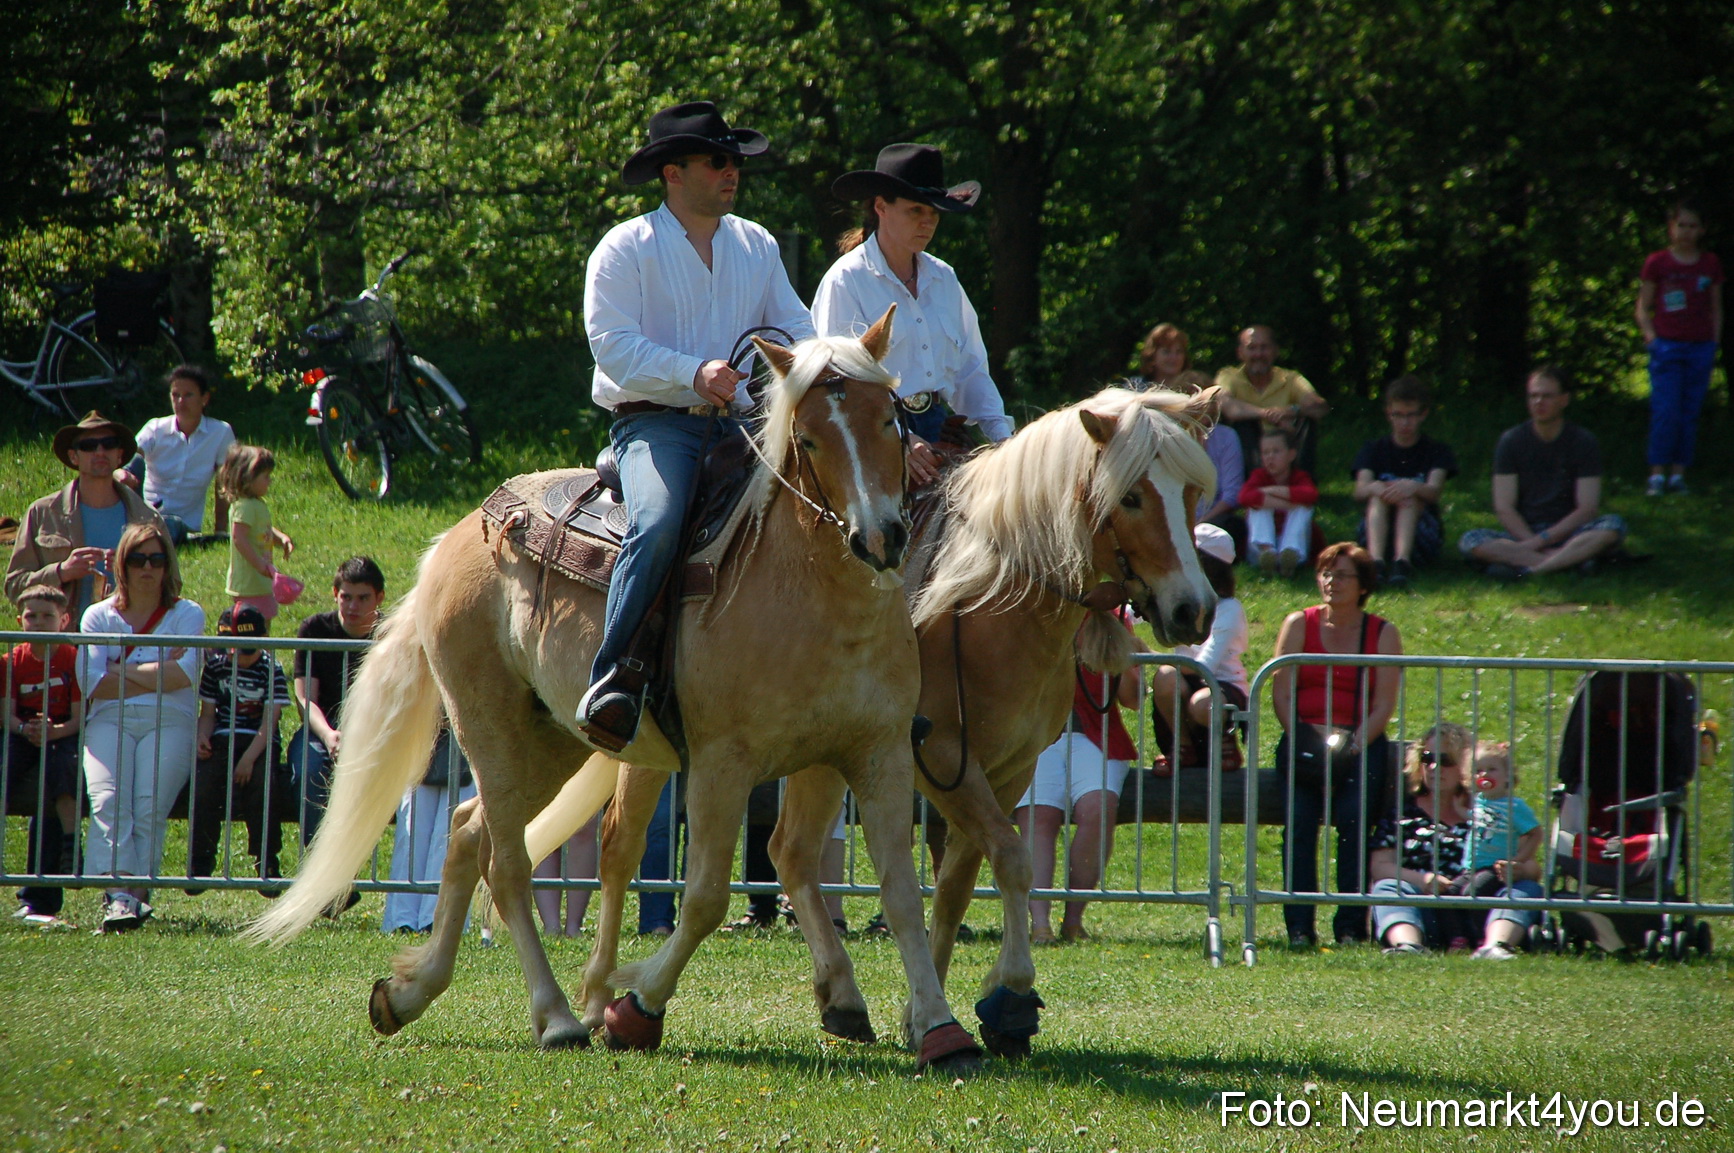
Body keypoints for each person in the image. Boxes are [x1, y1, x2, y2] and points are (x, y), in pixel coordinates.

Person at [577, 100, 814, 748]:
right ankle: (614, 676)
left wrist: (827, 362)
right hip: (656, 427)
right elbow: (613, 347)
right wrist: (695, 372)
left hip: (744, 426)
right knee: (656, 523)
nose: (731, 170)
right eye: (717, 159)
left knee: (834, 504)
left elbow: (796, 324)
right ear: (673, 172)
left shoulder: (757, 244)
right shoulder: (625, 248)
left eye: (734, 159)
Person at [812, 142, 1014, 486]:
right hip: (870, 438)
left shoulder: (944, 278)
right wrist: (902, 439)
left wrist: (1004, 439)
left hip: (940, 433)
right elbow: (838, 387)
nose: (927, 222)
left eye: (934, 213)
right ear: (881, 208)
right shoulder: (846, 280)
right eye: (915, 211)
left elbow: (971, 371)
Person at [1269, 542, 1402, 948]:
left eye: (1342, 575)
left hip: (1362, 741)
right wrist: (1302, 737)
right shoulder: (1298, 624)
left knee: (1354, 821)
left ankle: (1349, 927)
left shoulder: (1383, 633)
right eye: (1326, 572)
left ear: (1363, 585)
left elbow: (1383, 704)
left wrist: (1354, 745)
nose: (1331, 582)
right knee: (1300, 824)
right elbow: (1282, 691)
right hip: (1303, 738)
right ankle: (1299, 928)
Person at [77, 522, 204, 932]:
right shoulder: (97, 616)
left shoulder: (188, 613)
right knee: (108, 800)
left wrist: (121, 669)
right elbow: (91, 683)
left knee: (149, 804)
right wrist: (156, 671)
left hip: (171, 719)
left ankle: (136, 896)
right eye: (137, 559)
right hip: (108, 719)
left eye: (156, 558)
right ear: (122, 565)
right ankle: (117, 896)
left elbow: (185, 675)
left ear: (168, 564)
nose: (147, 567)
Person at [1012, 612, 1143, 943]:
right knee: (1037, 816)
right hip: (1037, 732)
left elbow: (1132, 699)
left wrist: (1127, 660)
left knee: (1098, 810)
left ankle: (1074, 919)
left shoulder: (1111, 619)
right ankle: (1039, 923)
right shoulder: (1028, 608)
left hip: (1097, 733)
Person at [1368, 727, 1544, 960]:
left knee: (1526, 889)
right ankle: (1408, 946)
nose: (1433, 767)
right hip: (1426, 909)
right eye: (1427, 759)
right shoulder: (1402, 814)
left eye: (1446, 760)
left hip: (1483, 909)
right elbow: (1380, 866)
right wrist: (1423, 880)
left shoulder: (1494, 810)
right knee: (1388, 887)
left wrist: (1518, 868)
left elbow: (1533, 868)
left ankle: (1496, 946)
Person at [1457, 366, 1627, 580]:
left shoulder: (1583, 442)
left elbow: (1587, 509)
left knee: (1613, 526)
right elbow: (1504, 507)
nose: (1539, 402)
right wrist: (1532, 541)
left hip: (1571, 532)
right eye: (1533, 396)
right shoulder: (1511, 441)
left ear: (1564, 400)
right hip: (1524, 533)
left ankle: (1531, 569)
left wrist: (1541, 541)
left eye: (1547, 396)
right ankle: (1568, 563)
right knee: (1471, 540)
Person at [6, 411, 167, 622]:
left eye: (109, 444)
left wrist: (130, 573)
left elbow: (171, 586)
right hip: (63, 646)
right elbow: (14, 587)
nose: (100, 451)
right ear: (74, 456)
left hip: (129, 645)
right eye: (89, 446)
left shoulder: (148, 519)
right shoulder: (42, 513)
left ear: (119, 455)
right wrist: (61, 572)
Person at [188, 605, 292, 894]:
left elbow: (270, 721)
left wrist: (247, 760)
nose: (235, 655)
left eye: (245, 649)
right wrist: (202, 737)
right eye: (230, 647)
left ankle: (266, 860)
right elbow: (208, 713)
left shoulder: (271, 668)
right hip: (222, 737)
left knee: (263, 786)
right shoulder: (216, 665)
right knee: (204, 784)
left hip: (258, 742)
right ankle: (200, 860)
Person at [290, 556, 384, 847]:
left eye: (363, 598)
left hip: (376, 734)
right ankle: (319, 870)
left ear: (379, 598)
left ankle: (344, 873)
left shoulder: (392, 634)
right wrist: (330, 736)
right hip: (321, 731)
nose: (353, 607)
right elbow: (305, 698)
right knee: (308, 769)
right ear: (335, 594)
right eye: (346, 597)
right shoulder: (315, 629)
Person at [5, 584, 83, 924]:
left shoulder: (74, 657)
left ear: (64, 620)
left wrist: (55, 731)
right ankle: (34, 898)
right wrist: (26, 729)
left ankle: (72, 848)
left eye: (47, 616)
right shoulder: (12, 660)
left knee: (60, 772)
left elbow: (80, 716)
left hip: (64, 731)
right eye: (31, 616)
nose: (37, 622)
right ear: (19, 619)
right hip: (23, 731)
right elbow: (6, 712)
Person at [1132, 328, 1246, 557]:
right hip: (1171, 519)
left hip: (1213, 519)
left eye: (1205, 406)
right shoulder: (1166, 438)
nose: (1199, 413)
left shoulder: (1226, 437)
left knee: (1235, 526)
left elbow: (1232, 494)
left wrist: (1200, 522)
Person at [1636, 199, 1723, 496]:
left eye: (1692, 226)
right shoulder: (1658, 262)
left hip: (1699, 346)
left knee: (1689, 411)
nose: (1686, 231)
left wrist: (1713, 342)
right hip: (1667, 346)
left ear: (1701, 230)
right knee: (1666, 410)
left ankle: (1678, 474)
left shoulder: (1709, 263)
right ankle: (1657, 474)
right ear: (1671, 228)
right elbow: (1642, 306)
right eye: (1681, 225)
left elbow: (1716, 307)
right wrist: (1651, 337)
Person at [1148, 524, 1248, 772]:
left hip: (1219, 684)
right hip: (1185, 679)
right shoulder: (1179, 602)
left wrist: (1147, 655)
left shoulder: (1229, 609)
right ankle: (1181, 748)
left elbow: (1204, 667)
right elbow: (1134, 614)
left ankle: (1225, 743)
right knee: (1166, 677)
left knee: (1203, 701)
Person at [1350, 374, 1458, 588]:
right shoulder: (1373, 449)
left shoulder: (1437, 451)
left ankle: (1402, 563)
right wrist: (1377, 488)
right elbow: (1359, 491)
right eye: (1398, 415)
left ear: (1423, 414)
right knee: (1378, 498)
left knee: (1409, 498)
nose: (1404, 423)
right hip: (1375, 530)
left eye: (1411, 415)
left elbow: (1434, 491)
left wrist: (1413, 487)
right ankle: (1376, 563)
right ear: (1389, 414)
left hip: (1421, 535)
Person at [118, 364, 236, 544]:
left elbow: (224, 484)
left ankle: (144, 536)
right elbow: (130, 457)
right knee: (134, 464)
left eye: (188, 395)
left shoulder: (220, 432)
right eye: (175, 395)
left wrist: (220, 531)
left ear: (204, 399)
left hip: (183, 524)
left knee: (169, 527)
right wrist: (121, 473)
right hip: (147, 514)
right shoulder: (156, 428)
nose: (181, 402)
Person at [1446, 739, 1542, 958]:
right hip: (1471, 866)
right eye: (1477, 771)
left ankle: (1484, 938)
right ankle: (1459, 937)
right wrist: (1460, 809)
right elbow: (1479, 820)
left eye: (1492, 769)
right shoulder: (1479, 802)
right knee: (1451, 893)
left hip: (1495, 866)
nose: (1484, 775)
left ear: (1508, 775)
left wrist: (1518, 860)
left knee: (1475, 893)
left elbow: (1536, 833)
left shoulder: (1514, 806)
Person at [382, 727, 477, 934]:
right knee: (412, 833)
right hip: (418, 731)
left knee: (450, 833)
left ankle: (440, 919)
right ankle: (401, 920)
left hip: (469, 734)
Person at [1214, 326, 1328, 476]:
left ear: (1275, 351)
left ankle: (1303, 485)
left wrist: (1293, 411)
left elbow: (1320, 407)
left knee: (1307, 420)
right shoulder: (1228, 376)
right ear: (1240, 353)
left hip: (1285, 447)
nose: (1258, 354)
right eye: (1252, 348)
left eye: (1264, 347)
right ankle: (1254, 487)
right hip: (1250, 449)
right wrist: (1266, 414)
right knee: (1242, 423)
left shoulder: (1291, 379)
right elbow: (1225, 404)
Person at [220, 445, 295, 622]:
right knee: (252, 625)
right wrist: (260, 565)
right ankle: (257, 650)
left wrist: (281, 538)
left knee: (263, 623)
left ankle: (262, 650)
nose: (270, 481)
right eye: (266, 477)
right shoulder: (244, 507)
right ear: (247, 478)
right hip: (249, 583)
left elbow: (263, 529)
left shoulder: (257, 504)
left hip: (261, 581)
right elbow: (239, 538)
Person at [1239, 427, 1317, 577]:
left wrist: (1270, 491)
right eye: (1265, 453)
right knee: (1257, 506)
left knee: (1304, 507)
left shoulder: (1299, 477)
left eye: (1276, 451)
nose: (1270, 457)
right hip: (1258, 549)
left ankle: (1289, 555)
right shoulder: (1259, 476)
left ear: (1291, 454)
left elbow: (1310, 495)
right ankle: (1267, 553)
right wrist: (1288, 504)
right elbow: (1244, 497)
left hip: (1291, 542)